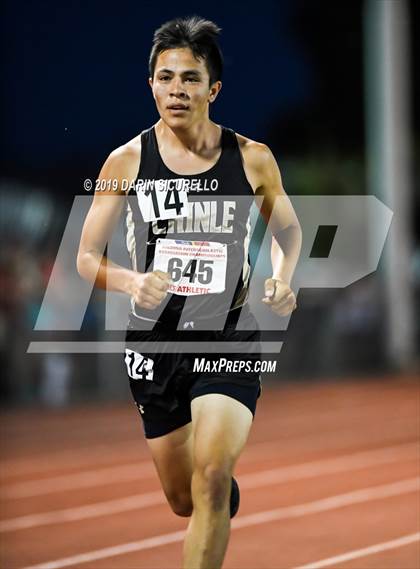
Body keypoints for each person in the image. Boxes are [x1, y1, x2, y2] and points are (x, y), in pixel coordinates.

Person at [77, 16, 301, 569]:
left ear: (213, 89)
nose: (177, 89)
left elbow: (289, 233)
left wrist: (282, 277)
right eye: (165, 77)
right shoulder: (124, 161)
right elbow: (84, 256)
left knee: (211, 472)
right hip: (155, 343)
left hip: (228, 335)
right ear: (150, 84)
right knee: (184, 499)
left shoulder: (252, 157)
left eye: (190, 78)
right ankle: (215, 501)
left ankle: (217, 490)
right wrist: (132, 281)